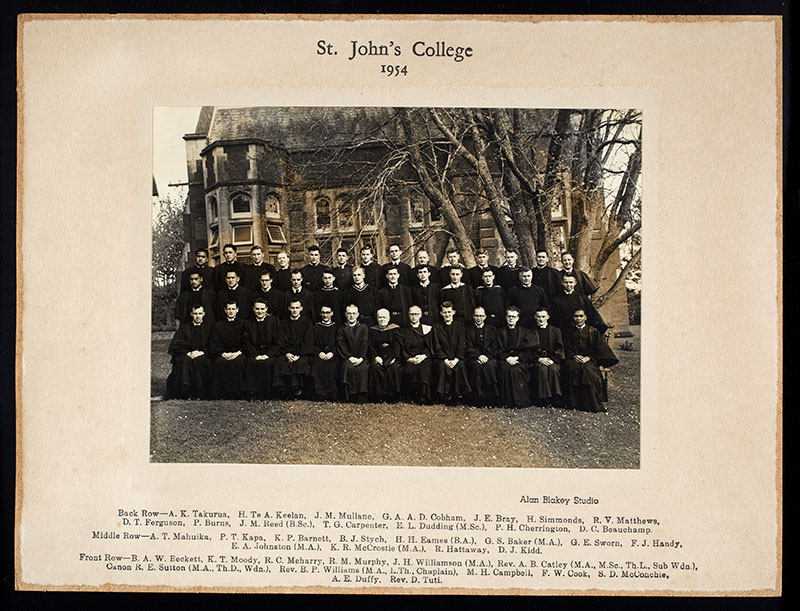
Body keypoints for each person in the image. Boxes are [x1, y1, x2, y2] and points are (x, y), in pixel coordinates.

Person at [562, 308, 618, 412]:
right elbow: (565, 348)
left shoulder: (593, 331)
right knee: (571, 367)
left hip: (590, 360)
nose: (578, 318)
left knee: (587, 370)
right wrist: (573, 356)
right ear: (573, 317)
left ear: (585, 317)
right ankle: (574, 403)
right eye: (576, 316)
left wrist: (589, 358)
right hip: (573, 359)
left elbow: (599, 349)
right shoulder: (568, 332)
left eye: (581, 316)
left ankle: (590, 403)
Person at [166, 304, 213, 399]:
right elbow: (176, 344)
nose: (197, 316)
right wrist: (188, 352)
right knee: (184, 361)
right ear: (191, 314)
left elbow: (213, 344)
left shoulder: (209, 328)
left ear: (204, 314)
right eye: (195, 313)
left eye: (200, 313)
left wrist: (200, 352)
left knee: (198, 362)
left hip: (203, 354)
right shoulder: (184, 328)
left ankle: (199, 393)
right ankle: (185, 392)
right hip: (186, 354)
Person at [495, 306, 538, 408]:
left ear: (518, 318)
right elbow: (496, 348)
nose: (511, 319)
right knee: (505, 368)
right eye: (509, 316)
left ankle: (520, 401)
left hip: (520, 360)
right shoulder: (500, 332)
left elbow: (529, 350)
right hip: (505, 359)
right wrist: (507, 358)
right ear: (506, 317)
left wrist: (517, 358)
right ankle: (506, 402)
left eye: (513, 317)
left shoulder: (525, 332)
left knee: (516, 370)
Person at [431, 302, 471, 402]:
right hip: (442, 358)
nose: (447, 314)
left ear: (453, 312)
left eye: (449, 312)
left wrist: (456, 360)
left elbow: (462, 345)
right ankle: (444, 395)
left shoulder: (460, 326)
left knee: (460, 366)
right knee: (441, 366)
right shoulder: (437, 327)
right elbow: (436, 346)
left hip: (456, 357)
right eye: (445, 312)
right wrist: (445, 359)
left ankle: (458, 395)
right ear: (441, 313)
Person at [273, 299, 314, 397]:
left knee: (300, 363)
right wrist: (286, 353)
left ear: (301, 309)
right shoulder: (283, 323)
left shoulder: (307, 322)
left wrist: (298, 355)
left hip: (302, 353)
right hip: (287, 353)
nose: (294, 310)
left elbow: (307, 341)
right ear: (289, 308)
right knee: (279, 362)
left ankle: (297, 389)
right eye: (292, 308)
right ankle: (283, 390)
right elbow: (281, 341)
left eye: (297, 308)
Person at [243, 298, 282, 398]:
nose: (260, 311)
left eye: (262, 309)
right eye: (257, 309)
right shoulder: (248, 323)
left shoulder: (274, 321)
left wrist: (267, 355)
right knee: (251, 362)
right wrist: (255, 355)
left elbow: (278, 342)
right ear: (253, 309)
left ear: (266, 309)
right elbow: (246, 342)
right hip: (254, 352)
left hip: (270, 352)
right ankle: (253, 393)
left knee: (268, 363)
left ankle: (267, 393)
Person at [209, 301, 247, 398]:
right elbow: (215, 342)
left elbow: (246, 341)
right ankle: (221, 394)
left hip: (238, 353)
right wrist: (222, 353)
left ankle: (238, 394)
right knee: (220, 362)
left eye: (233, 309)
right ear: (225, 310)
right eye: (229, 309)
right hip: (223, 353)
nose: (231, 311)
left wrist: (238, 353)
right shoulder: (218, 325)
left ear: (237, 310)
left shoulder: (243, 324)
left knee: (238, 363)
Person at [395, 305, 434, 402]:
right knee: (410, 369)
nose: (414, 316)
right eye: (411, 314)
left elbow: (430, 347)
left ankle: (424, 397)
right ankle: (412, 396)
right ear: (408, 315)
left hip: (424, 357)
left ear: (420, 315)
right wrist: (408, 358)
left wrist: (423, 356)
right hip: (409, 357)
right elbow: (401, 348)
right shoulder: (403, 331)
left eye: (416, 314)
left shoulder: (427, 329)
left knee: (424, 369)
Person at [530, 307, 565, 407]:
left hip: (552, 359)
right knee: (541, 369)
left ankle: (556, 398)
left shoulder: (555, 331)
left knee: (554, 369)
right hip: (538, 359)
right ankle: (543, 399)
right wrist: (538, 358)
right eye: (538, 317)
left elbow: (559, 347)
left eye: (543, 317)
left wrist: (553, 359)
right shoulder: (531, 331)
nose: (541, 319)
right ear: (535, 317)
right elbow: (528, 349)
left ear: (548, 317)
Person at [464, 306, 499, 404]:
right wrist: (478, 356)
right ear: (473, 317)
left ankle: (491, 398)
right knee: (475, 366)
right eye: (476, 316)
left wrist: (487, 356)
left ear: (485, 317)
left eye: (481, 316)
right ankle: (477, 398)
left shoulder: (492, 329)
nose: (479, 318)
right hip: (474, 357)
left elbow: (495, 345)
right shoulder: (468, 330)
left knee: (490, 366)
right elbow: (468, 346)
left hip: (489, 357)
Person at [336, 304, 370, 402]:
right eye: (349, 313)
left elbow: (365, 343)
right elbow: (341, 345)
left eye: (354, 313)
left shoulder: (363, 327)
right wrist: (349, 357)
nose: (351, 316)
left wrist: (361, 358)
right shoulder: (341, 329)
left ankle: (361, 397)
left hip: (361, 357)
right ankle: (349, 397)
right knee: (347, 367)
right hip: (347, 357)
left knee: (362, 368)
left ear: (358, 314)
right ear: (345, 314)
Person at [367, 308, 402, 401]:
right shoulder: (372, 330)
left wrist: (393, 358)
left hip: (392, 356)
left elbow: (397, 345)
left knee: (393, 368)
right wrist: (375, 357)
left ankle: (393, 396)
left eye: (384, 317)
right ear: (377, 318)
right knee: (376, 367)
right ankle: (378, 396)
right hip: (378, 356)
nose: (382, 319)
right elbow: (370, 346)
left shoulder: (395, 329)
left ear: (389, 318)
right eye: (380, 317)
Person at [311, 305, 339, 400]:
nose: (325, 315)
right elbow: (312, 343)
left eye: (327, 313)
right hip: (320, 354)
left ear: (332, 313)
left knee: (332, 366)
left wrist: (333, 352)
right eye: (323, 313)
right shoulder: (316, 327)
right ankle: (320, 393)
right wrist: (319, 352)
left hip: (333, 354)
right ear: (320, 314)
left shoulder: (336, 327)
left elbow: (340, 343)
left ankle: (332, 393)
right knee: (318, 365)